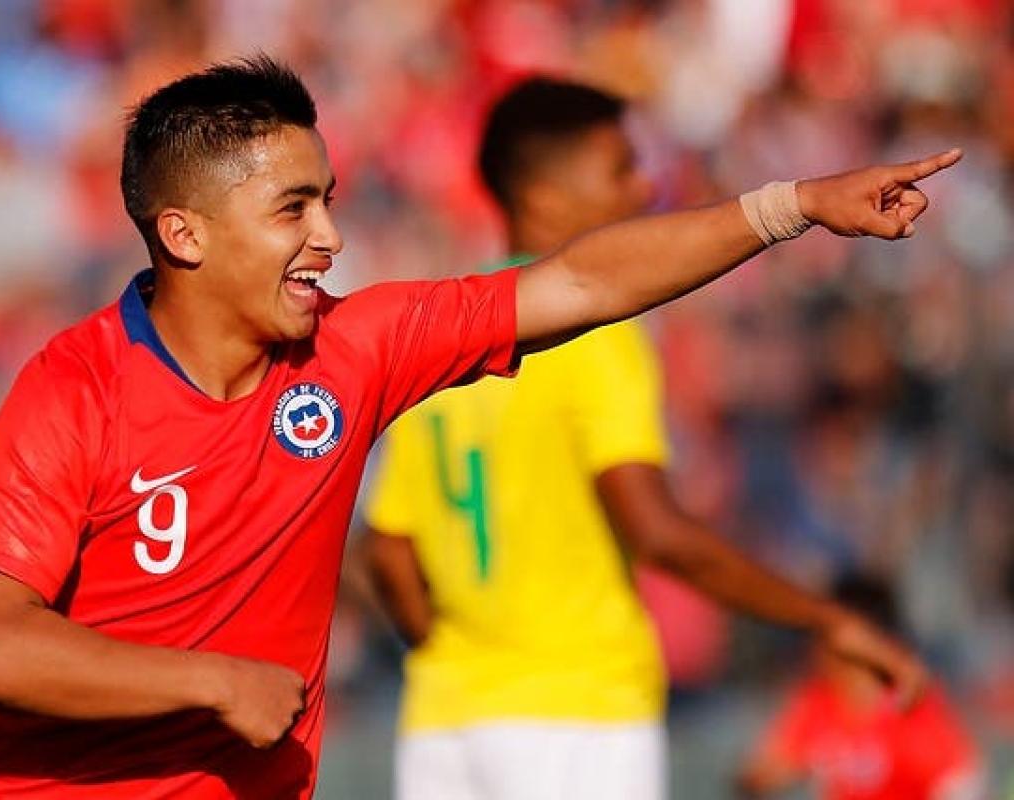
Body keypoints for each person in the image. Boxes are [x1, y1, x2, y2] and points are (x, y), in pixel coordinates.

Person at [0, 55, 958, 799]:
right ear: (184, 232)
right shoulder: (72, 390)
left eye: (328, 201)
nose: (330, 235)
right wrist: (209, 682)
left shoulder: (355, 348)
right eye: (293, 209)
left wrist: (789, 206)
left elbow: (580, 282)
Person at [360, 77, 934, 800]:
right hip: (578, 715)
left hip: (445, 723)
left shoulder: (446, 332)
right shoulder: (593, 338)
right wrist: (826, 619)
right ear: (543, 198)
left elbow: (388, 550)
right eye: (620, 168)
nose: (643, 188)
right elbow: (657, 532)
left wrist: (463, 655)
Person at [738, 573, 984, 800]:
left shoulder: (910, 703)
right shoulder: (817, 701)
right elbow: (761, 774)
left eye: (825, 632)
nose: (814, 646)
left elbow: (958, 781)